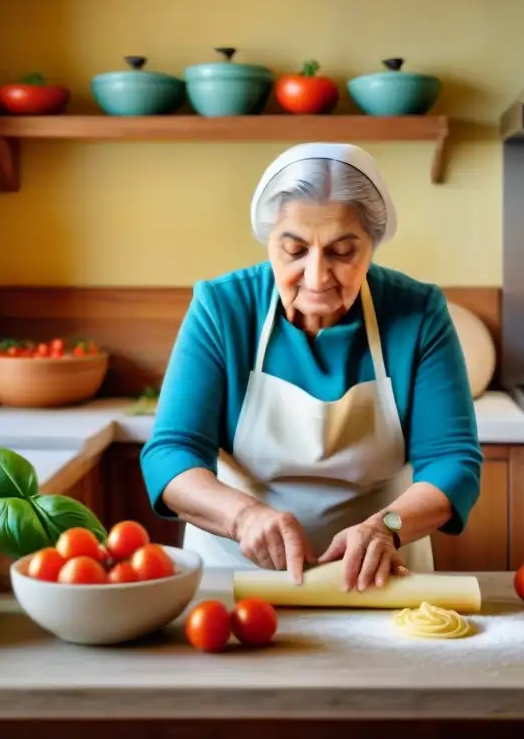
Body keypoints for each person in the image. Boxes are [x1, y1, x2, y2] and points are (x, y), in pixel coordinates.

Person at [140, 142, 482, 592]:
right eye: (295, 249)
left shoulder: (417, 313)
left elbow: (453, 461)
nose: (317, 276)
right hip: (236, 574)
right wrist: (243, 517)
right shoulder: (223, 308)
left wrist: (387, 527)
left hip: (377, 577)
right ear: (269, 242)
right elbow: (170, 453)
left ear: (372, 246)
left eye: (342, 252)